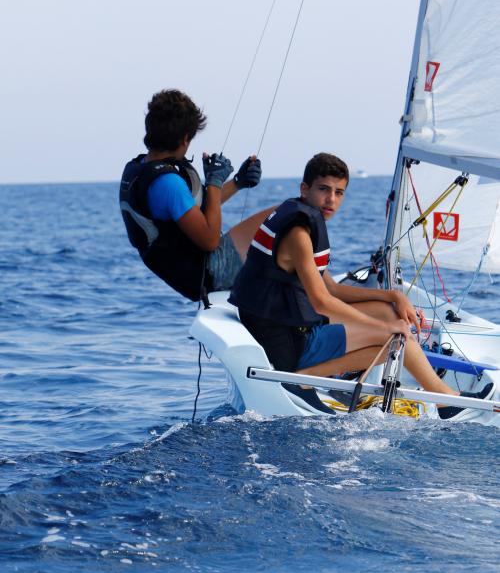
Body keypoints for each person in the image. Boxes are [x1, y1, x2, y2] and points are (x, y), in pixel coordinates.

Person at [229, 152, 494, 419]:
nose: (331, 199)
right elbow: (322, 302)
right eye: (323, 189)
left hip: (284, 325)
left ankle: (444, 397)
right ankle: (306, 379)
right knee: (396, 337)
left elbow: (331, 289)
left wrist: (392, 296)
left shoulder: (299, 218)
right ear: (304, 189)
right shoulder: (298, 234)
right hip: (287, 342)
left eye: (339, 192)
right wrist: (384, 328)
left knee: (389, 312)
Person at [120, 89, 274, 301]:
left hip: (192, 277)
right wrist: (214, 181)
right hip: (210, 274)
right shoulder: (168, 183)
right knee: (289, 215)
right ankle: (319, 294)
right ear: (185, 138)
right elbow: (210, 240)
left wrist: (238, 182)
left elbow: (193, 210)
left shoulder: (142, 168)